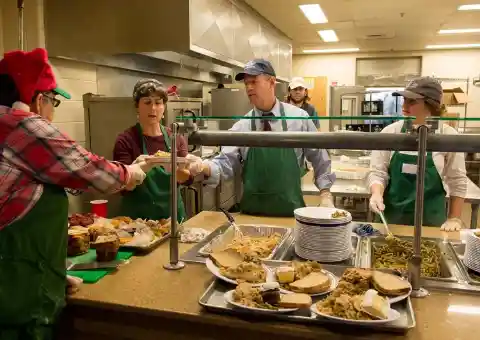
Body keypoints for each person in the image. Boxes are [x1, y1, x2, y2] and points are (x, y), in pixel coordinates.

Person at [0, 48, 149, 339]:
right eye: (53, 101)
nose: (52, 111)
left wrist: (51, 274)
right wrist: (131, 173)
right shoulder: (21, 125)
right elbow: (90, 169)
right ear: (38, 99)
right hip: (15, 301)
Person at [188, 59, 336, 216]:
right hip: (251, 217)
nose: (249, 88)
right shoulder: (242, 126)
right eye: (246, 84)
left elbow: (320, 157)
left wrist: (325, 193)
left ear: (271, 82)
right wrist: (203, 166)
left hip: (291, 213)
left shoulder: (299, 118)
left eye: (254, 82)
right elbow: (225, 164)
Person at [367, 77, 467, 231]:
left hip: (431, 223)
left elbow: (457, 181)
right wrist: (376, 193)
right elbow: (378, 172)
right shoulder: (390, 133)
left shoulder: (447, 137)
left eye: (412, 102)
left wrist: (454, 218)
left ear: (431, 105)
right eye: (404, 100)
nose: (404, 105)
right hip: (391, 222)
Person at [113, 79, 193, 221]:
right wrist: (141, 168)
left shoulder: (175, 138)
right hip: (138, 223)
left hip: (172, 219)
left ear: (164, 106)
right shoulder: (126, 140)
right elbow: (123, 187)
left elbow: (187, 179)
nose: (153, 108)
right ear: (137, 106)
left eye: (158, 102)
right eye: (147, 102)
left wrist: (173, 169)